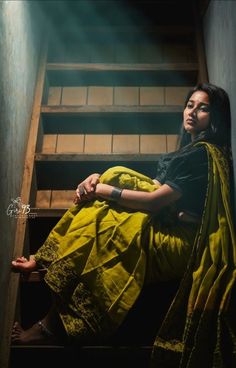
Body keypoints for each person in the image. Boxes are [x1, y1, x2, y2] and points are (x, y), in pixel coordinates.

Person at [11, 83, 236, 367]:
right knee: (111, 194)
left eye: (203, 108)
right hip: (171, 225)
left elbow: (154, 202)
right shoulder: (190, 152)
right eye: (190, 104)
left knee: (111, 225)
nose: (193, 112)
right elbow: (149, 187)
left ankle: (52, 322)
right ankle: (45, 267)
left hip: (184, 245)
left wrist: (103, 190)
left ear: (215, 117)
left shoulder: (202, 155)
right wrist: (98, 177)